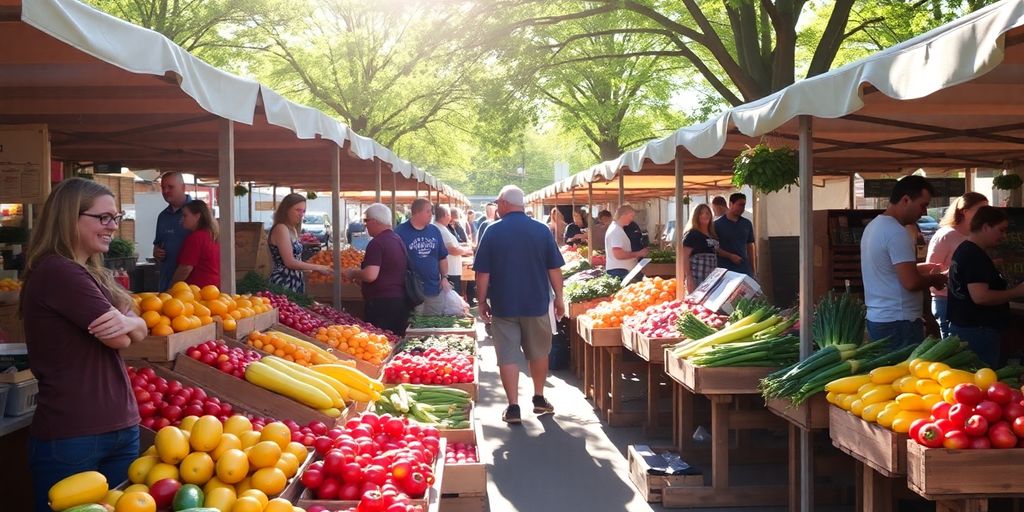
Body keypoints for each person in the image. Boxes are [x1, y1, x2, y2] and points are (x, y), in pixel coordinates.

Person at [20, 178, 149, 512]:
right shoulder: (57, 272)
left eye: (115, 218)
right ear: (69, 218)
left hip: (115, 426)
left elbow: (139, 326)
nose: (112, 227)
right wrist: (129, 326)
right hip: (75, 434)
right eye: (103, 218)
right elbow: (121, 338)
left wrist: (131, 322)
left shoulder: (91, 272)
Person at [475, 185, 565, 424]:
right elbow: (554, 268)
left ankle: (513, 406)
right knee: (539, 352)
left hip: (504, 304)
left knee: (507, 356)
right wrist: (559, 297)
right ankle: (538, 397)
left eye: (498, 202)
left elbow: (482, 272)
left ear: (505, 203)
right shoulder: (541, 230)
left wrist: (482, 301)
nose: (496, 206)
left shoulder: (492, 231)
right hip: (536, 303)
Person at [861, 176, 947, 349]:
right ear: (906, 200)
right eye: (923, 205)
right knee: (905, 374)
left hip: (879, 318)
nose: (924, 213)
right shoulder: (897, 232)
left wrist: (920, 268)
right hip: (899, 322)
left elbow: (888, 270)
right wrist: (935, 279)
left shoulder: (874, 226)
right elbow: (911, 282)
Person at [948, 207, 1024, 367]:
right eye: (1001, 230)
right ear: (985, 226)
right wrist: (1016, 292)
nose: (1003, 236)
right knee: (982, 380)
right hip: (977, 331)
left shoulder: (967, 250)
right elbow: (981, 296)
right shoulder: (973, 254)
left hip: (968, 328)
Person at [926, 192, 989, 338]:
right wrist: (959, 271)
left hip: (969, 300)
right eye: (981, 210)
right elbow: (931, 270)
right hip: (946, 300)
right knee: (953, 348)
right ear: (965, 212)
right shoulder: (946, 235)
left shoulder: (975, 235)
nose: (985, 214)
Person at [345, 204, 409, 336]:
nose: (365, 225)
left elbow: (370, 275)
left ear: (375, 221)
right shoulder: (397, 239)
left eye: (366, 221)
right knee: (395, 340)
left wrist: (353, 273)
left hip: (381, 304)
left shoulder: (377, 243)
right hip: (399, 301)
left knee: (380, 342)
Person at [396, 198, 451, 314]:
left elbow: (442, 257)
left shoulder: (434, 230)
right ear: (416, 212)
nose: (431, 214)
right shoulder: (400, 232)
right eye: (428, 211)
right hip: (411, 291)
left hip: (434, 289)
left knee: (434, 326)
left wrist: (445, 277)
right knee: (414, 327)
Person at [268, 193, 331, 293]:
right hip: (284, 282)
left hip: (295, 280)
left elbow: (297, 259)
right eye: (297, 210)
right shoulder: (281, 228)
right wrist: (318, 267)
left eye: (304, 211)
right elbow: (290, 262)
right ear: (286, 210)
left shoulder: (292, 228)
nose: (301, 214)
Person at [153, 171, 191, 291]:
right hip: (166, 280)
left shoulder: (198, 212)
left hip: (190, 284)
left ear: (183, 187)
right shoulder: (163, 216)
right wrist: (156, 252)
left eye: (170, 187)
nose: (165, 191)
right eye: (163, 187)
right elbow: (157, 244)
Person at [171, 200, 220, 288]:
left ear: (197, 216)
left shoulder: (196, 238)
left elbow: (185, 268)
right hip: (213, 289)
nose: (182, 219)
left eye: (185, 215)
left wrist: (172, 287)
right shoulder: (212, 235)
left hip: (198, 291)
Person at [682, 204, 730, 293]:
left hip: (711, 277)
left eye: (707, 213)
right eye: (701, 213)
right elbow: (684, 257)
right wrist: (688, 277)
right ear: (696, 216)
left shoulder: (712, 234)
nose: (705, 215)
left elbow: (716, 251)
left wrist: (731, 256)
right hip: (697, 276)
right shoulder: (692, 234)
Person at [713, 193, 755, 276]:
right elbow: (714, 248)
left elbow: (750, 246)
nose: (742, 208)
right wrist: (730, 256)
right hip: (725, 269)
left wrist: (753, 269)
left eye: (744, 205)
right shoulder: (716, 225)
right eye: (739, 205)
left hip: (744, 268)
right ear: (730, 204)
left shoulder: (747, 223)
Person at [434, 205, 472, 294]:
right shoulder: (441, 229)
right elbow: (452, 250)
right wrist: (465, 251)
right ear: (446, 215)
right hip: (450, 271)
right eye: (449, 215)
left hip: (451, 270)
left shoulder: (440, 228)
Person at [605, 205, 649, 280]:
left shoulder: (617, 229)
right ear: (623, 215)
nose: (632, 219)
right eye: (631, 216)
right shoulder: (616, 231)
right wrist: (639, 253)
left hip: (621, 270)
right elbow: (618, 254)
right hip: (620, 271)